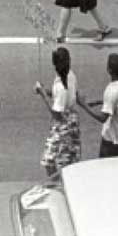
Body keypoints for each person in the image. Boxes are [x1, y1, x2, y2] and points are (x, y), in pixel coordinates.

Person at [34, 47, 80, 177]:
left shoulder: (61, 86)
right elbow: (59, 96)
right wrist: (44, 90)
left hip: (63, 123)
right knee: (68, 159)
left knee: (49, 160)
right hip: (71, 119)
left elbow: (56, 113)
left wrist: (43, 94)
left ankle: (56, 184)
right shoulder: (70, 75)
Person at [76, 53, 118, 158]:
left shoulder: (112, 91)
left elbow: (102, 118)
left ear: (109, 70)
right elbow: (117, 101)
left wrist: (83, 105)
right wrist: (98, 102)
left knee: (105, 163)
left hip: (112, 136)